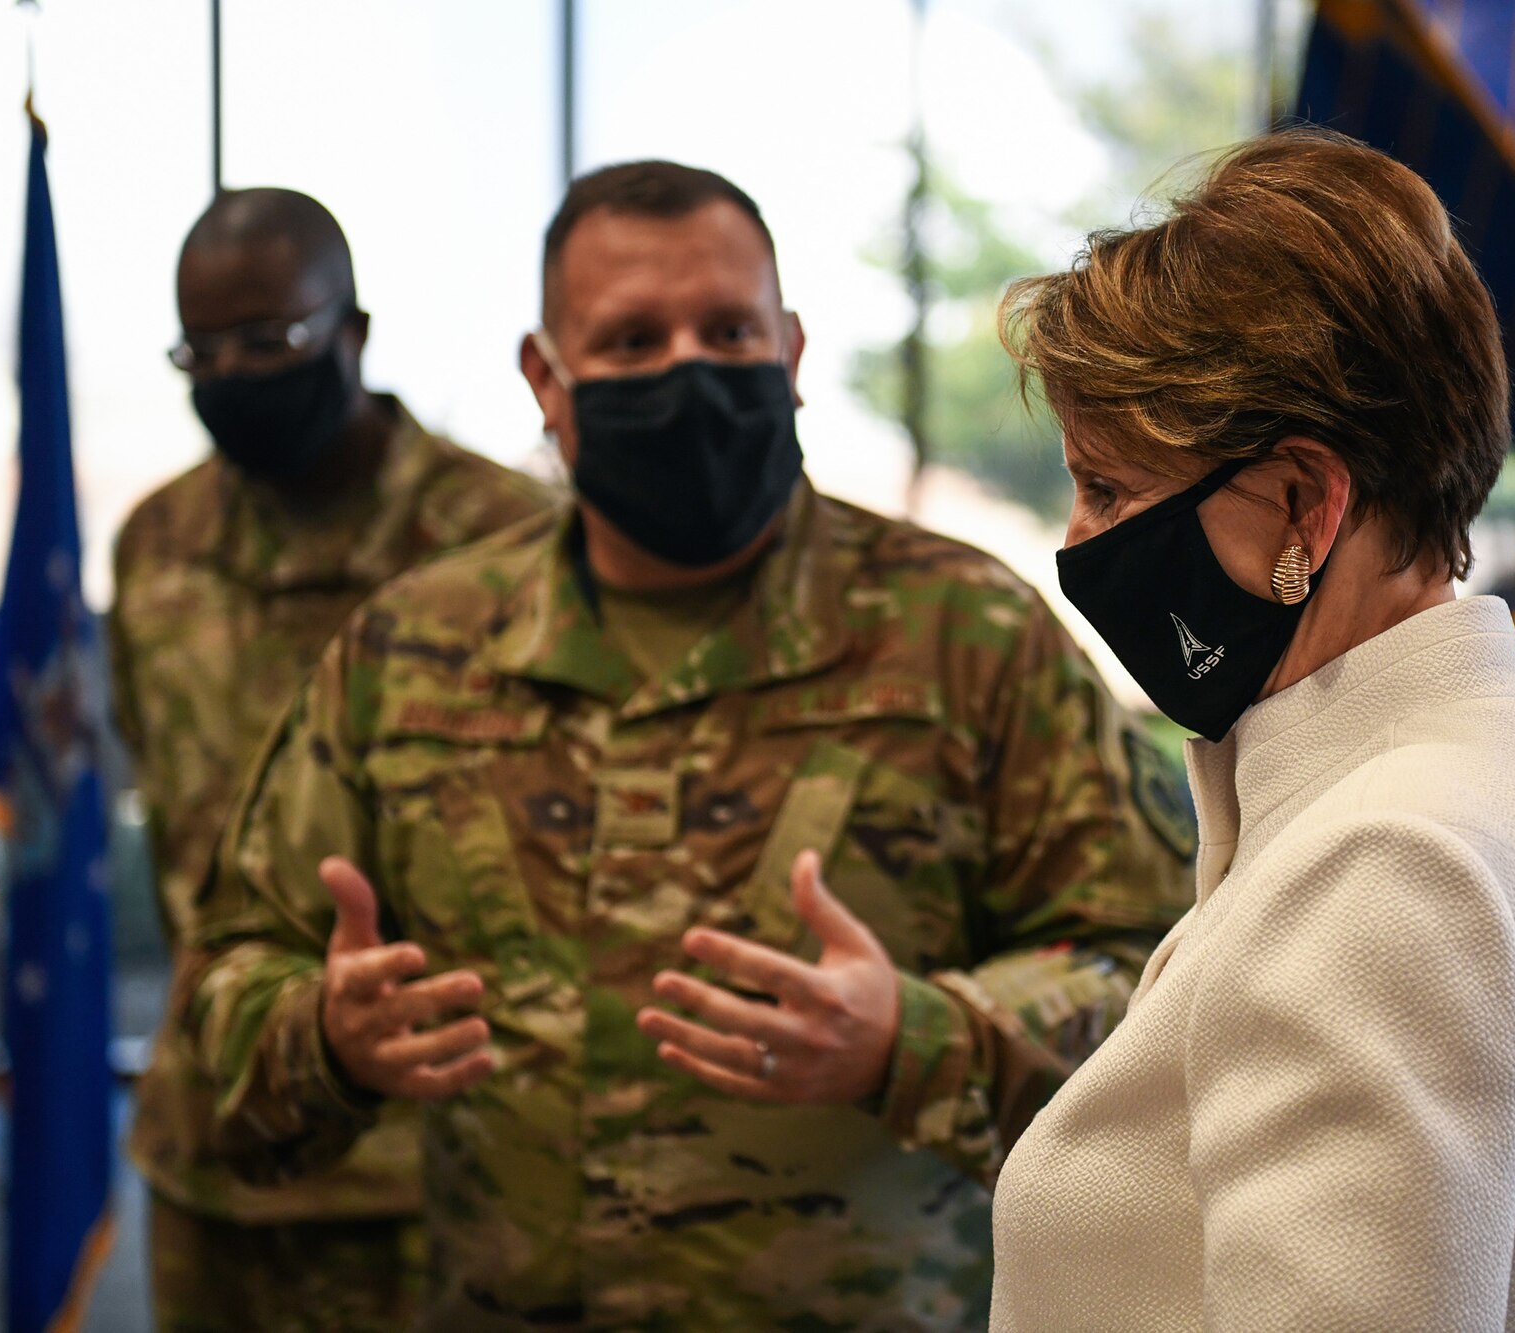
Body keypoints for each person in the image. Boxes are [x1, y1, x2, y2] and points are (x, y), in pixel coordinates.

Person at [175, 161, 1195, 1331]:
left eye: (726, 329)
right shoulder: (409, 652)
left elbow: (1158, 984)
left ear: (792, 351)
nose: (686, 372)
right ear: (544, 383)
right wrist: (327, 1031)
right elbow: (228, 979)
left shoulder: (969, 635)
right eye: (630, 341)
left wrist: (911, 1038)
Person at [988, 128, 1515, 1331]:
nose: (1080, 544)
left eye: (1110, 489)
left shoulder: (1386, 866)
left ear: (1302, 499)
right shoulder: (1486, 764)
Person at [110, 187, 557, 1331]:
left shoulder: (503, 538)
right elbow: (161, 798)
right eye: (200, 350)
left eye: (270, 340)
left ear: (353, 331)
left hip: (444, 1161)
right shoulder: (157, 542)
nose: (235, 372)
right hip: (211, 1142)